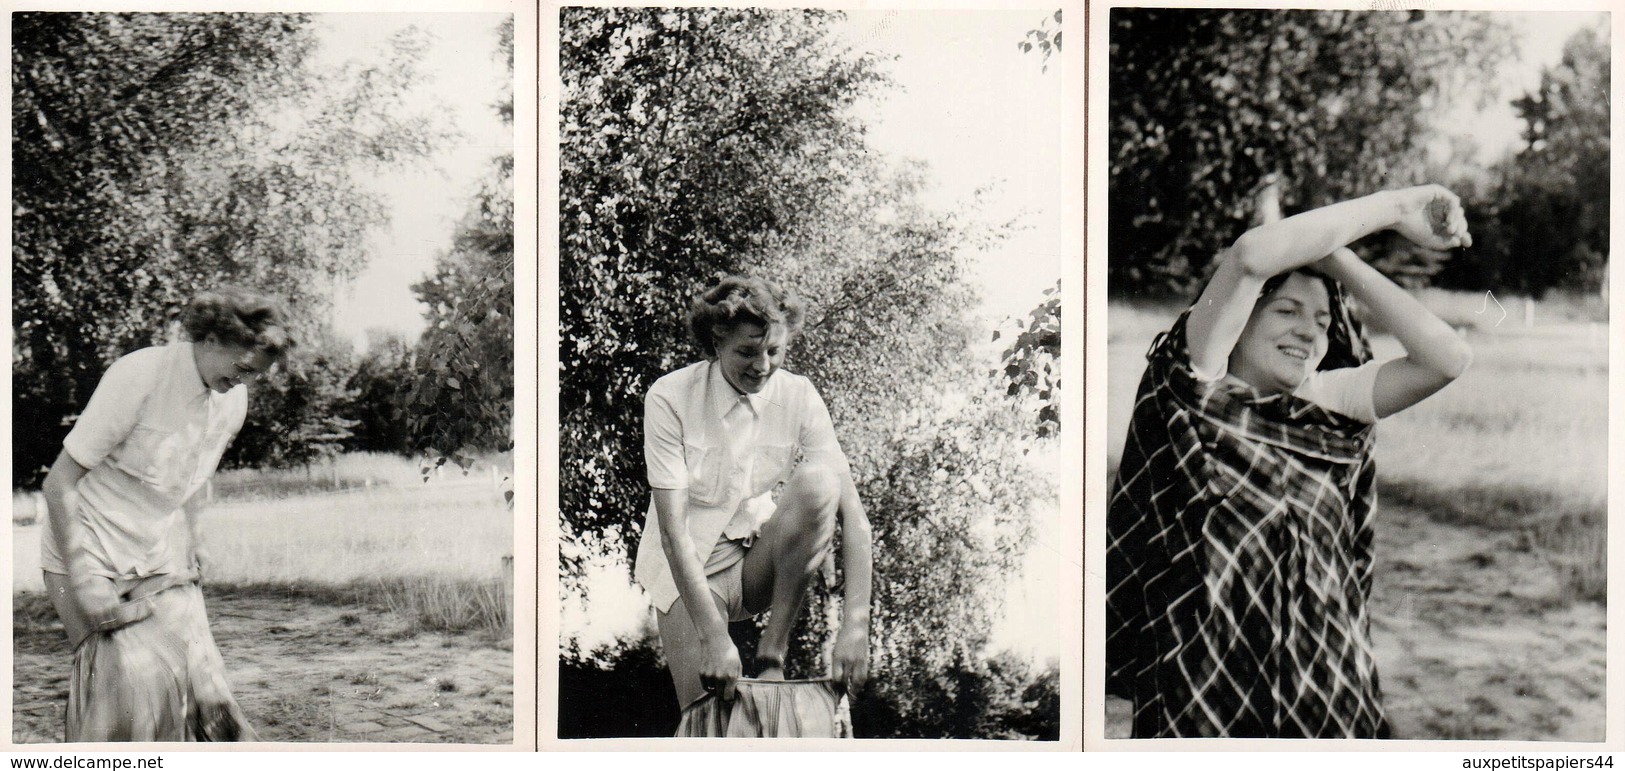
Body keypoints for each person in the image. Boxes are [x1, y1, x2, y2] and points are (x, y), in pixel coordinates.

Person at [1105, 184, 1474, 738]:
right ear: (1243, 313)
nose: (1308, 330)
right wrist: (1397, 208)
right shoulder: (1194, 386)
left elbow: (1447, 358)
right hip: (1207, 696)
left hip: (1330, 696)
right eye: (1287, 309)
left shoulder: (1327, 408)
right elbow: (1252, 257)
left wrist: (1336, 258)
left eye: (1324, 321)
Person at [40, 286, 293, 742]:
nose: (247, 381)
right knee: (125, 699)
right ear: (211, 339)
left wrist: (197, 540)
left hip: (159, 559)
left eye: (255, 374)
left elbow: (193, 481)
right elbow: (59, 483)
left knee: (202, 691)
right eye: (242, 368)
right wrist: (84, 578)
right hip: (85, 552)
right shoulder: (139, 375)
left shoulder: (231, 399)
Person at [635, 275, 873, 722]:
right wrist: (714, 636)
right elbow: (673, 533)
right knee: (707, 721)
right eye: (747, 352)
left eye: (774, 351)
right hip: (688, 573)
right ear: (715, 343)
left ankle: (771, 655)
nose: (762, 365)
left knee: (821, 481)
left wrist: (855, 628)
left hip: (753, 563)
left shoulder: (799, 395)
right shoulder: (669, 396)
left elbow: (855, 521)